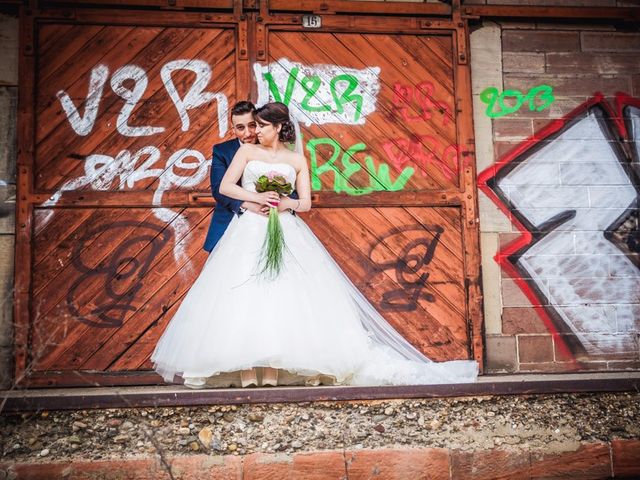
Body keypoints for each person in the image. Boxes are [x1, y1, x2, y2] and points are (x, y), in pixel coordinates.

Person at [151, 102, 478, 389]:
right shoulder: (246, 152)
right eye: (252, 126)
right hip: (249, 228)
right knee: (243, 292)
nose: (254, 132)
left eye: (262, 126)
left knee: (288, 295)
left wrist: (284, 204)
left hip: (286, 226)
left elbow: (305, 202)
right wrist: (257, 198)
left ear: (278, 128)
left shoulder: (297, 159)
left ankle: (282, 369)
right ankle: (245, 370)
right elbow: (225, 187)